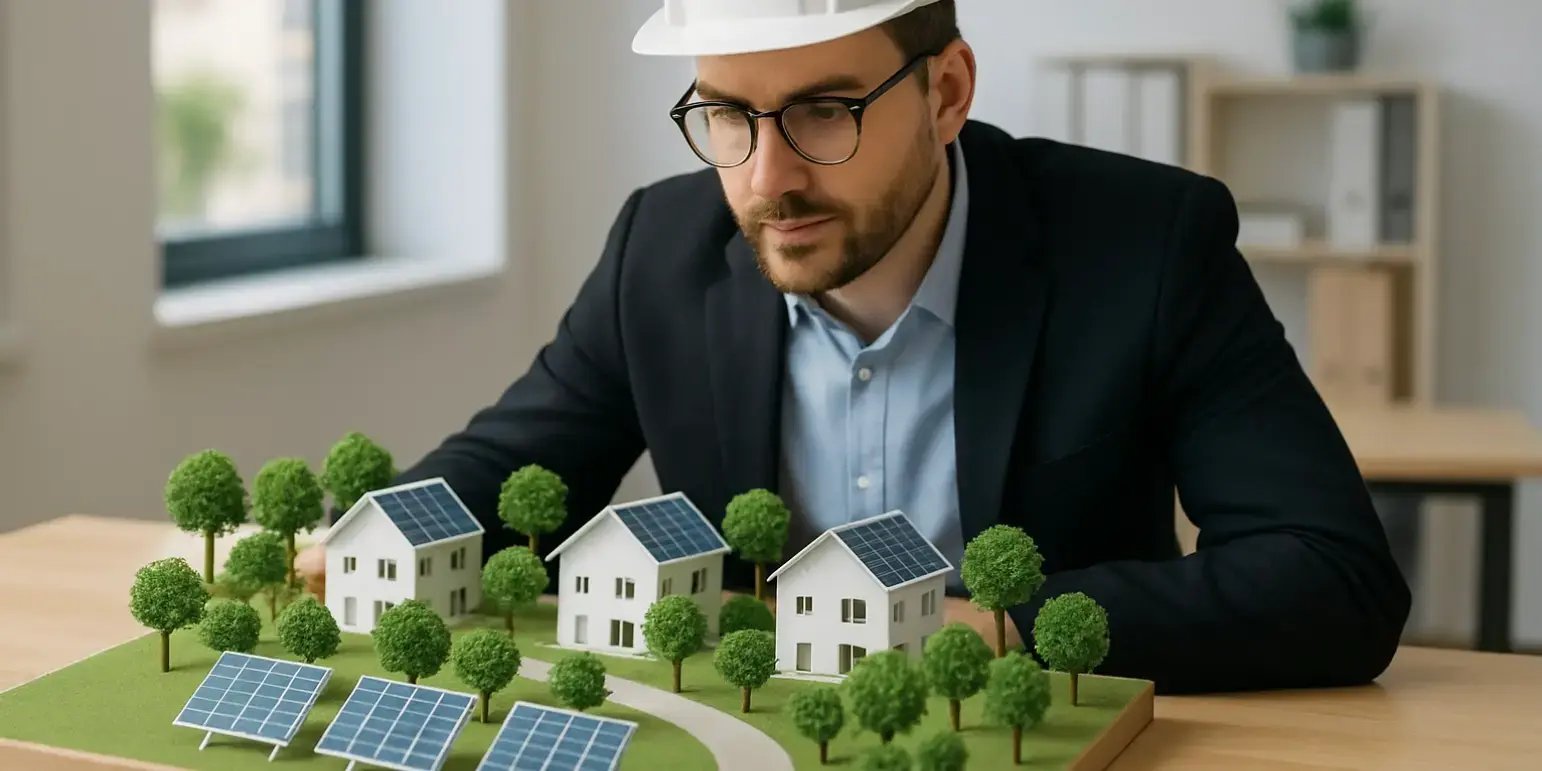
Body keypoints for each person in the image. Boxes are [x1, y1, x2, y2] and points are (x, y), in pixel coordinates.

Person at [299, 0, 1411, 694]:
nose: (766, 176)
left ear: (947, 92)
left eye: (826, 110)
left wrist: (996, 631)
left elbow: (1331, 580)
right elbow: (509, 467)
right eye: (728, 114)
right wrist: (364, 541)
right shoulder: (663, 243)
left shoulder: (1145, 244)